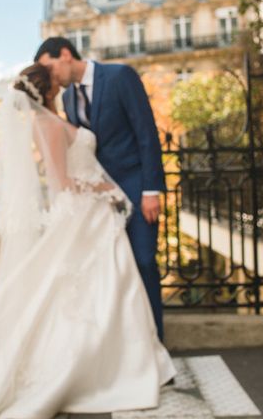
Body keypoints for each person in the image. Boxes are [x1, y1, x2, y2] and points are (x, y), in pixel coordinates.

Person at [0, 64, 175, 419]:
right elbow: (63, 184)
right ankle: (107, 368)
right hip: (87, 215)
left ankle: (122, 362)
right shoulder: (46, 124)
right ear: (46, 90)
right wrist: (108, 190)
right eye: (56, 83)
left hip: (94, 218)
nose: (62, 85)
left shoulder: (54, 118)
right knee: (96, 292)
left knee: (110, 291)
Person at [36, 37, 167, 340]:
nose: (50, 76)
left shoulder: (120, 76)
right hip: (96, 199)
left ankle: (156, 341)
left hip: (136, 186)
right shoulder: (67, 100)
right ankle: (129, 346)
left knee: (144, 261)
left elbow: (146, 133)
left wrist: (151, 190)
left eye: (50, 66)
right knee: (113, 273)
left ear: (66, 54)